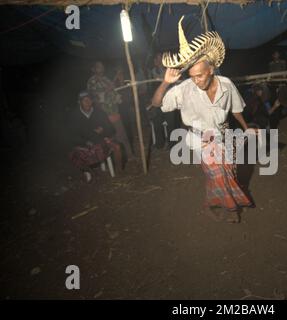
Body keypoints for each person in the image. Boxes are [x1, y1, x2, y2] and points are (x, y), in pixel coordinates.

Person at [151, 16, 255, 223]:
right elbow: (156, 104)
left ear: (211, 69)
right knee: (218, 174)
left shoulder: (226, 85)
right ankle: (232, 209)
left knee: (227, 174)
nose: (196, 80)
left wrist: (246, 128)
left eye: (199, 75)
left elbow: (236, 110)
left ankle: (209, 205)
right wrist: (164, 83)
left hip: (223, 136)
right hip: (200, 140)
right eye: (192, 76)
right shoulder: (184, 88)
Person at [69, 91, 123, 182]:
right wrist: (85, 142)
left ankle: (120, 172)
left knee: (117, 147)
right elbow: (72, 135)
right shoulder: (74, 116)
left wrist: (104, 131)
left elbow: (111, 129)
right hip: (84, 143)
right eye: (84, 100)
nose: (87, 102)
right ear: (79, 102)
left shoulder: (99, 112)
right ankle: (87, 171)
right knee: (74, 154)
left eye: (89, 99)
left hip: (100, 141)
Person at [87, 61, 133, 159]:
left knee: (122, 135)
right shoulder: (92, 81)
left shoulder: (106, 79)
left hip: (114, 111)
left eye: (102, 66)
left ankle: (129, 156)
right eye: (99, 67)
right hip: (104, 114)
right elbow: (94, 99)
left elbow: (115, 93)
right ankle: (115, 158)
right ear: (93, 69)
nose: (102, 68)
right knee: (110, 138)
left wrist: (119, 81)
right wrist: (106, 91)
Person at [147, 52, 180, 150]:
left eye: (160, 58)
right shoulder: (152, 72)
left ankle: (172, 145)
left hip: (168, 101)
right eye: (157, 58)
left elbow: (174, 86)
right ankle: (159, 144)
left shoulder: (169, 71)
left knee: (171, 123)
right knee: (157, 123)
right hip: (157, 103)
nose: (158, 60)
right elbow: (150, 87)